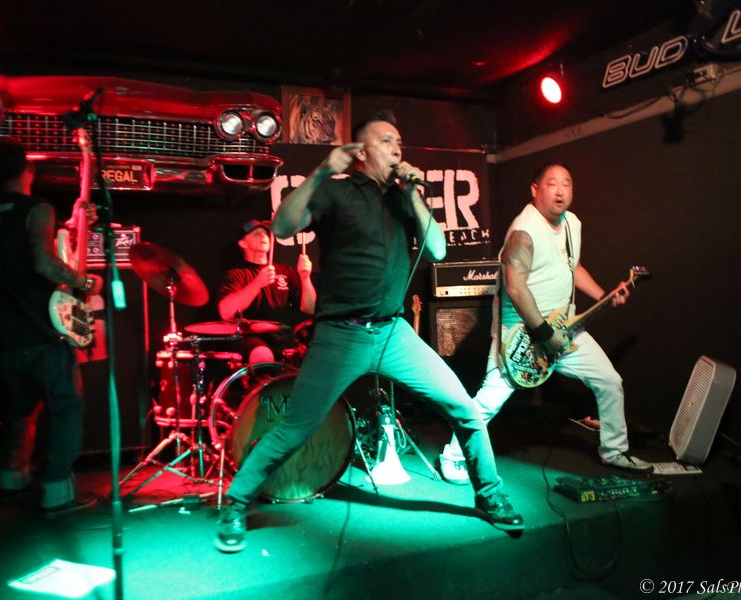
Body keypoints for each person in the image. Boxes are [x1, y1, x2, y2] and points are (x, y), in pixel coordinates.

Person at [215, 111, 524, 554]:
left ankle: (489, 495)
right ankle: (235, 503)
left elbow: (438, 250)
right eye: (387, 140)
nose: (397, 148)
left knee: (465, 408)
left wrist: (414, 193)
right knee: (296, 428)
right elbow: (282, 227)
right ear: (362, 151)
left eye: (399, 141)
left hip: (393, 333)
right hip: (340, 334)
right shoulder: (337, 191)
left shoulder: (403, 198)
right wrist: (323, 171)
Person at [437, 162, 653, 485]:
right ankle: (453, 455)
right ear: (535, 189)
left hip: (564, 327)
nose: (561, 191)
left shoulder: (572, 223)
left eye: (567, 183)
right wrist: (544, 333)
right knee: (490, 399)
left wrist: (604, 295)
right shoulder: (523, 231)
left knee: (609, 381)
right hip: (521, 333)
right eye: (552, 184)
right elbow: (516, 288)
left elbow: (573, 266)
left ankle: (614, 451)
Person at [0, 137, 102, 518]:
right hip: (43, 329)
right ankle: (56, 492)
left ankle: (12, 479)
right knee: (66, 407)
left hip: (6, 329)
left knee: (20, 408)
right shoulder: (37, 209)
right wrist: (85, 282)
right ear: (28, 169)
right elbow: (44, 263)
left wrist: (72, 225)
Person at [217, 219, 316, 364]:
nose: (263, 236)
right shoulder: (236, 274)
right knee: (262, 354)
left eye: (265, 233)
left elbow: (310, 308)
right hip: (252, 340)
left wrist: (305, 278)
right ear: (243, 243)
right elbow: (226, 312)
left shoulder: (285, 271)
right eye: (256, 233)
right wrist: (258, 283)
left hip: (285, 340)